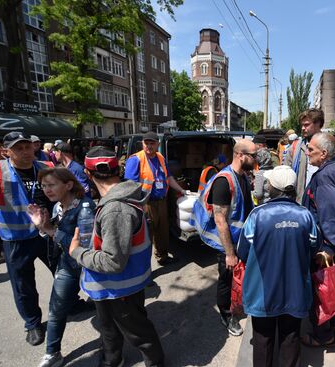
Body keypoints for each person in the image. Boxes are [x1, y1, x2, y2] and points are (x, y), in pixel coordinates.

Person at [69, 146, 165, 367]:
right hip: (113, 288)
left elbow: (113, 261)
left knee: (140, 334)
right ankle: (113, 359)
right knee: (109, 329)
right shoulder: (121, 198)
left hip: (121, 288)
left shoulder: (115, 210)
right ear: (117, 169)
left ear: (87, 173)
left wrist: (77, 252)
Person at [237, 165, 321, 367]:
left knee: (263, 338)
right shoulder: (305, 216)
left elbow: (242, 251)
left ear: (275, 188)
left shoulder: (257, 216)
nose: (266, 185)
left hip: (262, 293)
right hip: (296, 291)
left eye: (269, 183)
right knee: (290, 338)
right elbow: (313, 248)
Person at [0, 132, 55, 345]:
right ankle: (32, 323)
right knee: (23, 285)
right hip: (16, 239)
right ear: (6, 152)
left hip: (46, 234)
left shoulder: (45, 166)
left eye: (27, 147)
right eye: (18, 148)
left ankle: (71, 303)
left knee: (64, 272)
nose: (25, 152)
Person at [27, 168, 95, 367]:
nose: (47, 189)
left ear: (68, 185)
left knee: (109, 312)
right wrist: (45, 226)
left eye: (52, 184)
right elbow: (56, 238)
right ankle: (52, 353)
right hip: (67, 265)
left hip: (89, 267)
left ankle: (114, 350)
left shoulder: (84, 208)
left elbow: (83, 247)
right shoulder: (58, 206)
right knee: (55, 311)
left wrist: (47, 229)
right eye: (44, 185)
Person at [191, 139, 256, 336]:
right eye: (252, 155)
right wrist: (229, 253)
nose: (255, 159)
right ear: (240, 155)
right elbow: (220, 220)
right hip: (225, 243)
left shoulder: (242, 176)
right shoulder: (223, 181)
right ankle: (226, 314)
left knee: (238, 276)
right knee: (226, 278)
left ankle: (238, 303)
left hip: (239, 238)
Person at [301, 132, 335, 347]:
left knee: (321, 289)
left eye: (311, 149)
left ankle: (323, 335)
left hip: (326, 246)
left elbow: (331, 214)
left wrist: (328, 248)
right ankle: (333, 325)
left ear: (323, 153)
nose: (307, 152)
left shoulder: (325, 176)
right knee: (331, 285)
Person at [124, 131, 186, 265]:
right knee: (146, 236)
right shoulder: (135, 159)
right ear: (142, 144)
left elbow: (168, 178)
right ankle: (144, 269)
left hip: (161, 201)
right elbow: (129, 187)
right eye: (146, 143)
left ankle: (162, 257)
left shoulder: (161, 158)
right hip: (145, 204)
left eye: (152, 143)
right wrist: (138, 206)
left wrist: (181, 190)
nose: (149, 146)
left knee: (162, 232)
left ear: (158, 144)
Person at [283, 108, 325, 202]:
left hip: (322, 202)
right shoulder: (295, 147)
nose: (303, 128)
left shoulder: (331, 146)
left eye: (306, 125)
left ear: (318, 124)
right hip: (300, 202)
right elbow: (286, 174)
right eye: (302, 125)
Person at [253, 136, 274, 205]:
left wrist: (250, 192)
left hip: (263, 205)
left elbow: (258, 194)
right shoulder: (274, 171)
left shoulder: (260, 174)